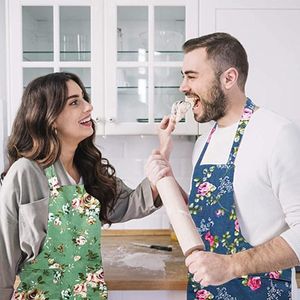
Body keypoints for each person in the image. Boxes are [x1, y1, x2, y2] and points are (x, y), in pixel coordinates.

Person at [148, 32, 300, 299]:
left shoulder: (277, 133)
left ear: (229, 78)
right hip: (206, 291)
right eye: (183, 76)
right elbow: (207, 215)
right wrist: (168, 180)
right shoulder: (205, 141)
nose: (183, 87)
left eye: (192, 76)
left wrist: (231, 265)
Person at [0, 72, 171, 300]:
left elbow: (128, 204)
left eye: (84, 98)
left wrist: (164, 150)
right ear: (50, 118)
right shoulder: (26, 172)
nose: (88, 107)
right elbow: (3, 255)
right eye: (74, 102)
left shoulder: (89, 170)